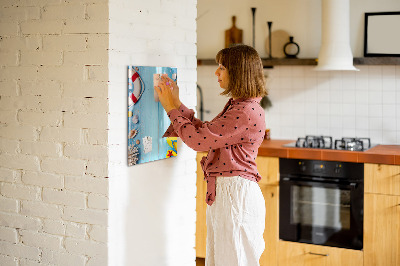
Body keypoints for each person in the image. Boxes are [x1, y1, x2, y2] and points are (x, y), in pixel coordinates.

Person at [155, 44, 267, 266]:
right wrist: (177, 104)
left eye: (222, 67)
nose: (217, 73)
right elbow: (206, 133)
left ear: (238, 72)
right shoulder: (240, 106)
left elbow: (198, 141)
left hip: (235, 197)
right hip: (230, 195)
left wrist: (170, 108)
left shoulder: (244, 111)